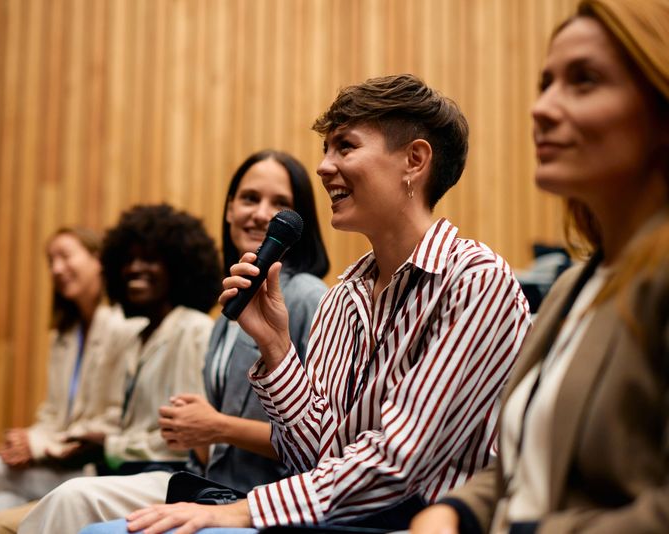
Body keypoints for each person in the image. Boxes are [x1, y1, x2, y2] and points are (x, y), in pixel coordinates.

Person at [88, 74, 532, 534]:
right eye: (326, 149)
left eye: (345, 147)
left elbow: (398, 463)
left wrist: (242, 511)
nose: (323, 166)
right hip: (333, 520)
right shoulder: (345, 295)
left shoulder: (476, 281)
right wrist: (276, 346)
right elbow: (312, 456)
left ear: (414, 161)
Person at [409, 1, 669, 533]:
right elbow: (523, 469)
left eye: (585, 81)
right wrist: (454, 511)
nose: (543, 107)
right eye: (545, 83)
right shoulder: (574, 285)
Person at [17, 150, 331, 533]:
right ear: (229, 210)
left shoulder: (308, 297)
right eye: (250, 198)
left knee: (73, 497)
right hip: (206, 484)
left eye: (279, 203)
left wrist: (216, 426)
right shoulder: (227, 315)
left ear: (298, 222)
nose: (261, 213)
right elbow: (208, 441)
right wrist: (193, 427)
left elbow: (322, 440)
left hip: (262, 497)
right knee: (54, 496)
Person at [0, 204, 222, 533]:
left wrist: (108, 447)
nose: (135, 268)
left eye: (149, 259)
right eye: (129, 260)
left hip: (170, 476)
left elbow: (189, 439)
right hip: (125, 473)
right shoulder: (139, 337)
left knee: (46, 505)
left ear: (178, 266)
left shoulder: (192, 329)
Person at [0, 227, 140, 534]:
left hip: (94, 469)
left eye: (65, 256)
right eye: (51, 261)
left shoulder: (123, 328)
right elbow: (52, 414)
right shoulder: (63, 336)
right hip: (60, 463)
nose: (56, 269)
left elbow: (115, 420)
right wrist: (25, 439)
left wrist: (37, 444)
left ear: (98, 260)